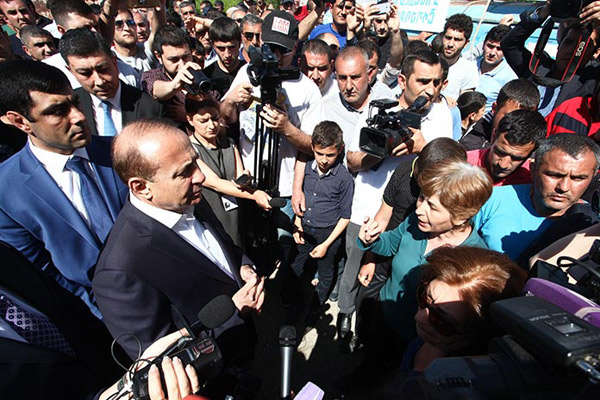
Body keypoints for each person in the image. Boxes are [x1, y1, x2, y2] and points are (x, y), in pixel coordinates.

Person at [93, 119, 265, 398]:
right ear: (141, 187)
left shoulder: (187, 197)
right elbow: (164, 365)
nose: (200, 177)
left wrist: (243, 267)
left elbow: (225, 247)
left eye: (196, 162)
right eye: (184, 171)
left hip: (244, 351)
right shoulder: (119, 271)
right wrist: (235, 311)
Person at [336, 49, 453, 340]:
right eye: (423, 81)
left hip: (415, 217)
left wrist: (422, 147)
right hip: (368, 211)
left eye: (436, 82)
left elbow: (450, 167)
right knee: (355, 271)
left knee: (393, 281)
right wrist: (380, 152)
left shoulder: (442, 114)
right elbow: (351, 160)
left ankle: (376, 332)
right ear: (402, 80)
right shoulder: (377, 109)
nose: (431, 90)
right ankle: (346, 314)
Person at [0, 60, 127, 317]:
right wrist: (109, 317)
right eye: (58, 111)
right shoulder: (6, 192)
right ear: (20, 121)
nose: (79, 116)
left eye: (76, 102)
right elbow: (43, 275)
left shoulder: (121, 150)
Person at [350, 159, 492, 385]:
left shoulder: (473, 261)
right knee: (371, 362)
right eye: (422, 198)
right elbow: (391, 244)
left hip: (420, 340)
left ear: (461, 216)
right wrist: (371, 240)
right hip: (385, 314)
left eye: (432, 207)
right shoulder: (415, 223)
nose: (419, 209)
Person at [392, 246, 526, 380]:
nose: (419, 317)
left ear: (477, 332)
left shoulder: (466, 380)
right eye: (424, 297)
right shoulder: (433, 335)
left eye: (441, 320)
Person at [473, 133, 600, 261]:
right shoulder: (492, 199)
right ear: (533, 170)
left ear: (593, 177)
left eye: (578, 178)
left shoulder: (591, 226)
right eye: (554, 175)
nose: (563, 187)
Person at [289, 121, 354, 324]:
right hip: (305, 228)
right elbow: (300, 199)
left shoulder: (344, 179)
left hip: (328, 233)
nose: (324, 160)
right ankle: (294, 299)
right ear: (312, 148)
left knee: (325, 272)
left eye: (330, 155)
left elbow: (345, 216)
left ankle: (316, 306)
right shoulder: (306, 169)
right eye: (319, 154)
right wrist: (297, 222)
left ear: (340, 150)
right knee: (297, 265)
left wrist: (326, 244)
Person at [185, 97, 271, 246]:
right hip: (212, 217)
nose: (212, 125)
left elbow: (239, 174)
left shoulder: (229, 143)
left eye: (215, 118)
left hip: (236, 216)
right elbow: (215, 183)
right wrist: (255, 194)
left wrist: (245, 179)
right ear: (190, 120)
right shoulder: (189, 149)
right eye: (203, 121)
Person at [501, 0, 600, 117]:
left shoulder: (591, 82)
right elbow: (510, 45)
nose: (570, 51)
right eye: (568, 42)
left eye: (581, 46)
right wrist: (543, 13)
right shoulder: (538, 68)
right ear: (559, 45)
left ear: (595, 53)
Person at [60, 28, 164, 136]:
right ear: (71, 71)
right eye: (86, 73)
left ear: (114, 62)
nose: (99, 81)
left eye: (103, 69)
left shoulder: (151, 107)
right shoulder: (68, 109)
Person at [467, 109, 546, 186]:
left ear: (531, 153)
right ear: (493, 136)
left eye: (516, 158)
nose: (503, 165)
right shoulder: (463, 165)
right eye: (500, 152)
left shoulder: (531, 180)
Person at [142, 25, 202, 126]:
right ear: (158, 57)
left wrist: (190, 114)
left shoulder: (202, 77)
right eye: (174, 59)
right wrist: (175, 85)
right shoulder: (152, 76)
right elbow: (155, 90)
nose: (182, 65)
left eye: (186, 57)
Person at [460, 78, 540, 150]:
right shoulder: (471, 145)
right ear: (494, 108)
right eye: (509, 117)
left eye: (522, 120)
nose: (514, 125)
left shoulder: (535, 147)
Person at [111, 6, 163, 76]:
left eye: (130, 22)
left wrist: (159, 5)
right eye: (119, 24)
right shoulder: (109, 58)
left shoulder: (145, 50)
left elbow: (157, 32)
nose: (127, 28)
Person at [475, 25, 517, 112]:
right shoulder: (470, 66)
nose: (492, 53)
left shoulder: (509, 78)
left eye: (499, 49)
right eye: (490, 46)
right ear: (483, 45)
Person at [439, 13, 479, 101]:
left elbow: (465, 103)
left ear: (466, 43)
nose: (450, 44)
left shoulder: (469, 69)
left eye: (457, 40)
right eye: (448, 38)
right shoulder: (428, 62)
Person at [203, 16, 246, 99]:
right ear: (213, 45)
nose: (227, 55)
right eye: (221, 48)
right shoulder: (207, 76)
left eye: (231, 47)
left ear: (240, 43)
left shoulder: (249, 72)